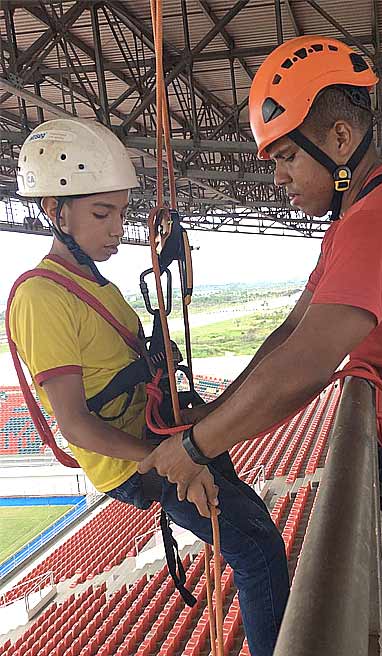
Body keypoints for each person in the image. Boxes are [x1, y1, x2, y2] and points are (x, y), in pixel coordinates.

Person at [137, 36, 382, 656]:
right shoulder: (354, 221)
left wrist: (197, 446)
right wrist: (212, 412)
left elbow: (305, 365)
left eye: (286, 157)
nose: (278, 178)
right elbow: (289, 333)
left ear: (341, 139)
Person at [5, 118, 289, 656]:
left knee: (256, 532)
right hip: (139, 460)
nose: (118, 228)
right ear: (55, 211)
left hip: (156, 438)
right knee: (256, 550)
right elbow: (75, 424)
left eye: (120, 211)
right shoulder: (42, 298)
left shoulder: (93, 283)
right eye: (101, 213)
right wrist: (166, 458)